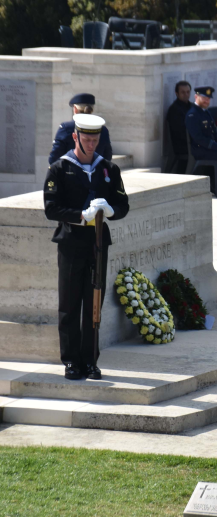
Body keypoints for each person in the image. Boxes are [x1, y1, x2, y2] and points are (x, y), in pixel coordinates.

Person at [43, 114, 130, 380]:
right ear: (75, 137)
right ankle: (71, 360)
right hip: (71, 242)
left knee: (94, 303)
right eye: (87, 139)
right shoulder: (60, 168)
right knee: (70, 305)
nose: (91, 145)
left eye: (95, 140)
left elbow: (123, 205)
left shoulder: (108, 169)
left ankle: (90, 360)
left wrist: (110, 211)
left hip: (98, 244)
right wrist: (82, 215)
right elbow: (51, 208)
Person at [185, 85, 217, 197]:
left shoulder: (206, 113)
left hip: (211, 149)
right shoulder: (192, 114)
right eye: (204, 98)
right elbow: (199, 138)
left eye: (208, 98)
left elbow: (215, 134)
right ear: (196, 97)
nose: (206, 100)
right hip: (201, 149)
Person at [49, 93, 112, 165]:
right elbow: (107, 156)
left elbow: (54, 158)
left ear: (75, 109)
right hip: (95, 174)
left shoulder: (66, 128)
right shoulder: (103, 129)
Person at [166, 80, 193, 173]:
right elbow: (180, 133)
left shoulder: (193, 107)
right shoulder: (174, 110)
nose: (186, 94)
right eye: (182, 92)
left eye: (188, 92)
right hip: (183, 146)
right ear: (176, 93)